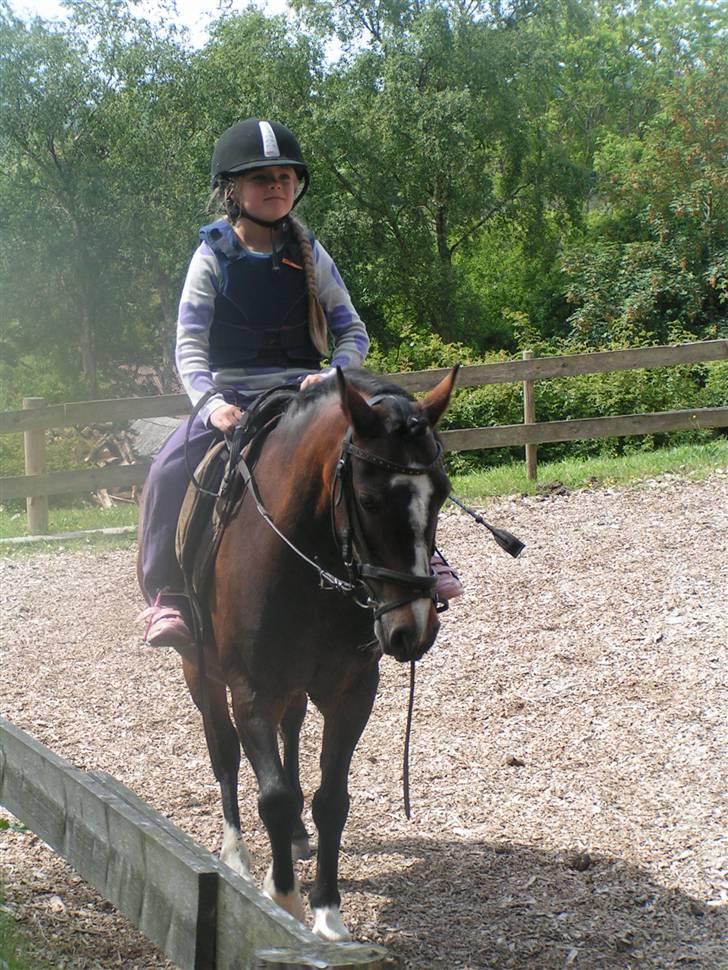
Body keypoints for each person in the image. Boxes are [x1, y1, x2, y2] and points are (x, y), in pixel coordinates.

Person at [138, 118, 461, 649]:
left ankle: (424, 558)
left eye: (286, 177)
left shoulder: (311, 252)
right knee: (168, 466)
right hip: (233, 398)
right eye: (261, 178)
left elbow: (351, 330)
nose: (276, 186)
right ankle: (167, 595)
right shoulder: (211, 258)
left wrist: (335, 373)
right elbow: (189, 345)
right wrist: (210, 402)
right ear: (232, 190)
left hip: (307, 393)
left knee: (396, 450)